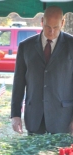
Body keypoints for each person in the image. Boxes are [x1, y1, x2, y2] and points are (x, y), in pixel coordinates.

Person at [11, 6, 73, 135]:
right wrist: (15, 115)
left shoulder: (71, 45)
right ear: (42, 21)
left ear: (62, 23)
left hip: (63, 118)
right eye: (47, 26)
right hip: (34, 118)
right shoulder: (25, 46)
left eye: (55, 27)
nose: (51, 31)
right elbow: (18, 83)